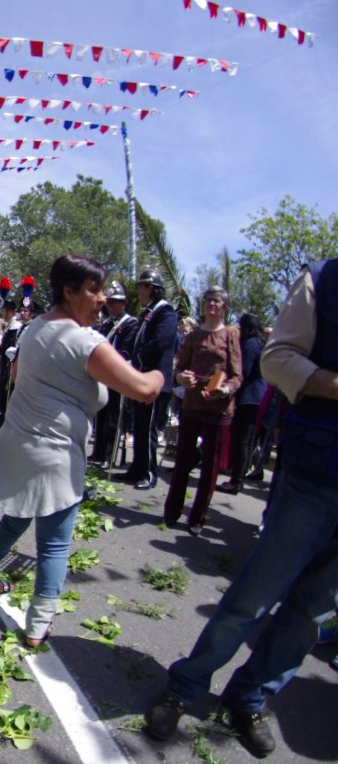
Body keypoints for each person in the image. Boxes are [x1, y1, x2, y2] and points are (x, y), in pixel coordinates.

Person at [144, 260, 338, 759]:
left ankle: (250, 697)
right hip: (315, 475)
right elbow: (278, 360)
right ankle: (185, 686)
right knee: (254, 597)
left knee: (311, 615)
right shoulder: (324, 280)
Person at [0, 256, 163, 647]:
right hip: (53, 453)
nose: (102, 299)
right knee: (54, 541)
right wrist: (161, 371)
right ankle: (38, 624)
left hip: (18, 442)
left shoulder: (34, 327)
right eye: (94, 290)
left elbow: (17, 373)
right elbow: (144, 389)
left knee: (16, 516)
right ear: (69, 292)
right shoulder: (85, 341)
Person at [161, 287, 242, 534]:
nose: (212, 305)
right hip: (193, 405)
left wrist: (225, 389)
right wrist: (180, 378)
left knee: (210, 467)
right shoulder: (194, 335)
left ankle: (197, 518)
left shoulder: (230, 335)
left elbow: (238, 376)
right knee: (183, 460)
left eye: (217, 301)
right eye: (208, 300)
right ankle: (172, 511)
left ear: (225, 307)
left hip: (218, 409)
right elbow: (178, 368)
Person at [124, 269, 178, 490]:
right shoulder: (148, 312)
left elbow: (160, 342)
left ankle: (148, 472)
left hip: (155, 379)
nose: (138, 291)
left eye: (141, 287)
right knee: (139, 426)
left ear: (150, 288)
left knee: (149, 429)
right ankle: (137, 468)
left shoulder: (165, 312)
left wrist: (137, 360)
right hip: (142, 377)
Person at [89, 282, 139, 465]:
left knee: (113, 418)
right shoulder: (108, 323)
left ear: (123, 304)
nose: (110, 306)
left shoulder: (130, 323)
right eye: (109, 302)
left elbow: (126, 351)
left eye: (114, 303)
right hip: (103, 375)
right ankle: (98, 453)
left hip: (117, 374)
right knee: (101, 415)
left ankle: (109, 457)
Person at [219, 313, 268, 494]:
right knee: (247, 442)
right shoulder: (260, 343)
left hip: (249, 397)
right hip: (257, 397)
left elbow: (242, 370)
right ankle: (238, 479)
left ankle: (236, 481)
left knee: (242, 441)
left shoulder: (250, 344)